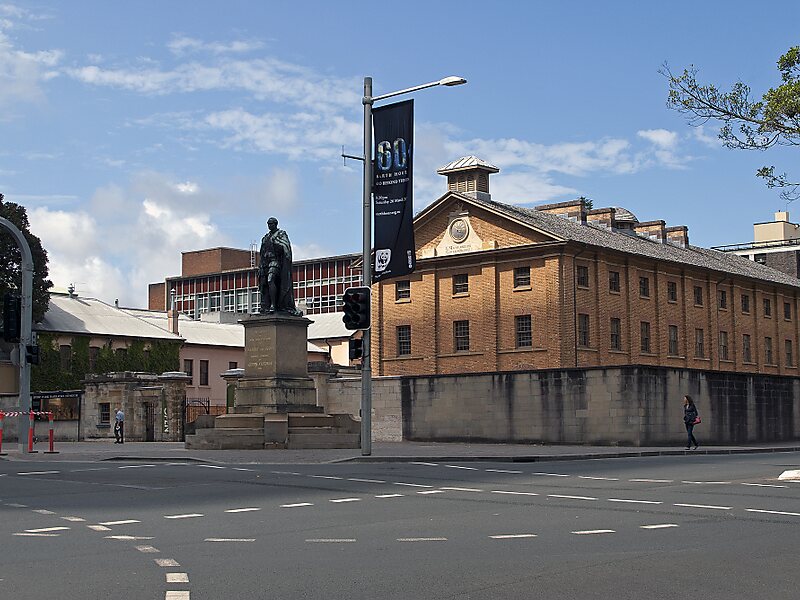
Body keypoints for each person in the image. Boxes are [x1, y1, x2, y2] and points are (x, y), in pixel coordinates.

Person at [258, 217, 302, 316]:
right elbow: (262, 251)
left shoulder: (281, 234)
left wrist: (278, 244)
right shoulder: (266, 237)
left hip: (275, 261)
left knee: (270, 280)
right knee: (264, 284)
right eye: (268, 224)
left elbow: (285, 246)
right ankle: (266, 305)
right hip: (265, 263)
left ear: (275, 224)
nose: (269, 226)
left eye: (271, 224)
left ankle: (274, 305)